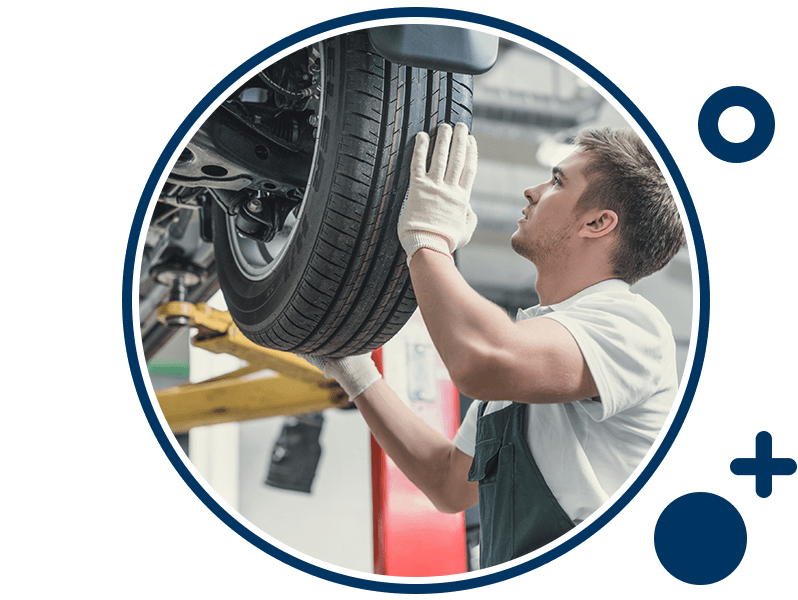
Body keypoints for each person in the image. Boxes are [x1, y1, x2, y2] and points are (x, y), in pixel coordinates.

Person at [302, 122, 686, 569]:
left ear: (598, 223)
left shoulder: (633, 327)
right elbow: (448, 482)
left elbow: (480, 359)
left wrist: (429, 239)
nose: (532, 190)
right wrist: (356, 371)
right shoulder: (532, 353)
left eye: (557, 181)